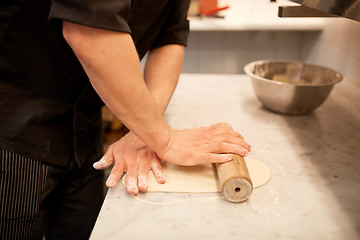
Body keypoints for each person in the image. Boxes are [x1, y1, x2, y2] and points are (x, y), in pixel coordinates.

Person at [0, 0, 251, 239]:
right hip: (13, 129)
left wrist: (145, 131)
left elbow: (169, 37)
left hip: (84, 132)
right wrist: (166, 140)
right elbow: (88, 31)